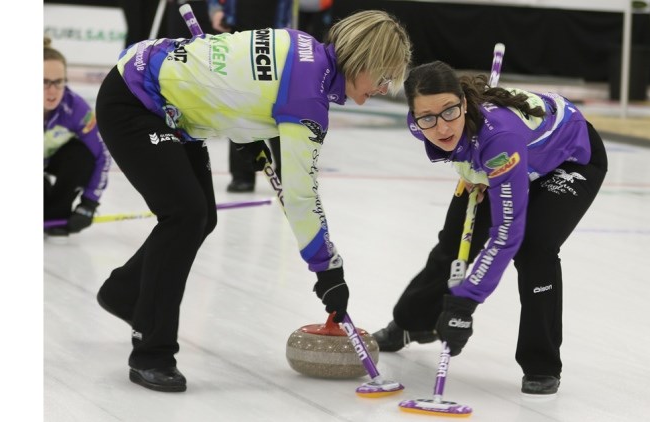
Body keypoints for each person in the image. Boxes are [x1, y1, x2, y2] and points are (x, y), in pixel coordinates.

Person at [94, 10, 411, 392]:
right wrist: (327, 268)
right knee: (183, 216)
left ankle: (125, 294)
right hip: (135, 101)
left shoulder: (302, 47)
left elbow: (234, 75)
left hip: (168, 102)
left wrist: (246, 130)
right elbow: (300, 195)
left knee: (200, 217)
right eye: (384, 77)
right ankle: (151, 352)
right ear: (364, 61)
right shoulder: (309, 98)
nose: (383, 87)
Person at [372, 60, 608, 396]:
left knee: (534, 247)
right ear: (413, 116)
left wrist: (465, 301)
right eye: (427, 118)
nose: (440, 128)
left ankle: (541, 362)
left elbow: (506, 232)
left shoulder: (500, 138)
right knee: (453, 242)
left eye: (450, 112)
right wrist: (472, 169)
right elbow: (455, 144)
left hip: (567, 159)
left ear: (464, 103)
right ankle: (411, 322)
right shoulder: (421, 124)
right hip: (503, 160)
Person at [207, 0, 291, 192]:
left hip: (277, 34)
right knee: (239, 101)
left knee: (279, 102)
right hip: (239, 29)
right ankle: (242, 173)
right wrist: (216, 10)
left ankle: (287, 172)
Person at [44, 36, 110, 238]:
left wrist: (89, 203)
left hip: (50, 158)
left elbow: (102, 155)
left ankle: (54, 218)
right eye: (44, 82)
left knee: (82, 155)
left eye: (59, 82)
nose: (53, 91)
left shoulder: (74, 107)